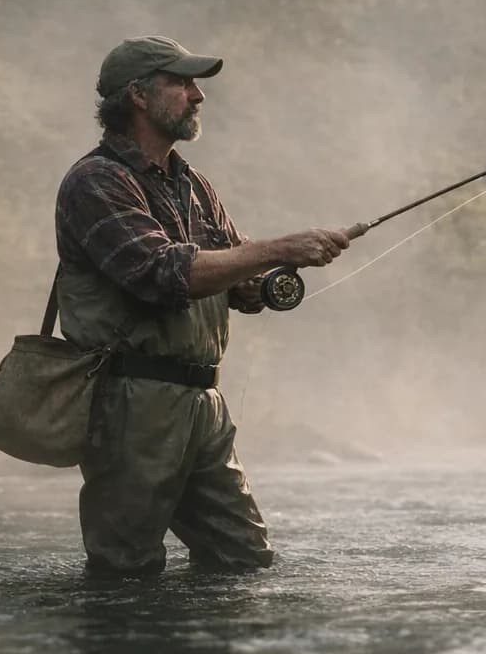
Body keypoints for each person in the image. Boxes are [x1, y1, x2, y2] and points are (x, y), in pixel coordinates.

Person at [54, 35, 350, 575]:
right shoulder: (96, 181)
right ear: (139, 96)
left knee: (244, 562)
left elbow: (239, 286)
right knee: (126, 573)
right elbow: (163, 272)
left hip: (203, 407)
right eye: (183, 83)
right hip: (131, 405)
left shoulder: (191, 184)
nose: (198, 96)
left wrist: (276, 277)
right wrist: (283, 246)